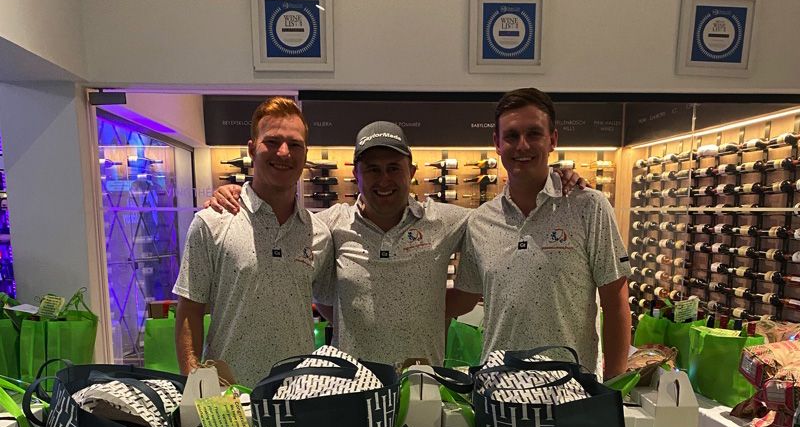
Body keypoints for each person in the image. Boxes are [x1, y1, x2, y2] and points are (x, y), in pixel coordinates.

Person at [207, 120, 584, 367]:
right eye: (372, 169)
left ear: (412, 172)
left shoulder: (449, 221)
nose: (383, 179)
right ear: (356, 174)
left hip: (425, 385)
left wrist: (556, 177)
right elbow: (321, 296)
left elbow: (473, 285)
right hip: (352, 388)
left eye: (393, 168)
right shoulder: (329, 226)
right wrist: (234, 194)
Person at [454, 88, 631, 379]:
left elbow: (616, 302)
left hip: (571, 390)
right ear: (497, 143)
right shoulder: (480, 220)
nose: (522, 145)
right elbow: (464, 298)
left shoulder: (589, 207)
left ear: (553, 140)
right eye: (512, 136)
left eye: (534, 134)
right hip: (499, 389)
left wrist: (614, 387)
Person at [173, 96, 331, 387]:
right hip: (228, 396)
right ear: (251, 149)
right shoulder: (211, 222)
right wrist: (194, 386)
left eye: (294, 144)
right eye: (272, 142)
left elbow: (332, 304)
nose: (283, 152)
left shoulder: (319, 232)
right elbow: (189, 310)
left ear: (305, 153)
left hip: (298, 394)